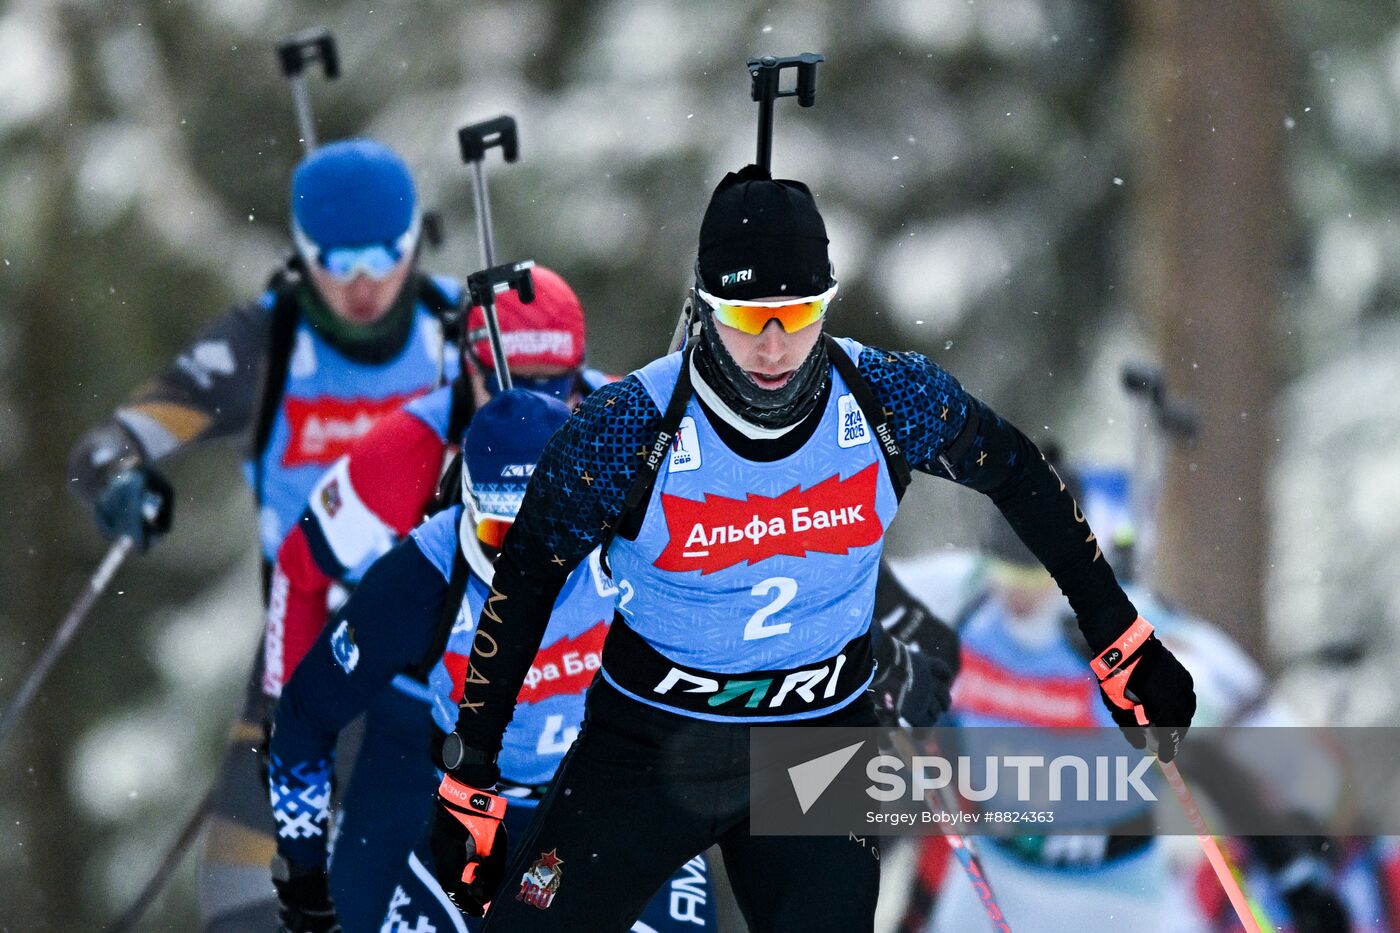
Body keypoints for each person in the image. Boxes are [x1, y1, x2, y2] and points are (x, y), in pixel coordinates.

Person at [427, 164, 1197, 932]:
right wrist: (472, 776)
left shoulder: (887, 398)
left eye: (796, 316)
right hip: (649, 745)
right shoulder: (628, 427)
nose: (772, 347)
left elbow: (1019, 475)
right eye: (744, 316)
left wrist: (1120, 639)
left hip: (817, 746)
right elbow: (525, 577)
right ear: (703, 306)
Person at [65, 138, 461, 930]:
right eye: (336, 261)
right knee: (244, 904)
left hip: (442, 671)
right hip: (301, 663)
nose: (362, 285)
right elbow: (109, 446)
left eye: (384, 255)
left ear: (415, 239)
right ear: (302, 252)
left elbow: (564, 422)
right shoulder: (267, 342)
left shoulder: (461, 331)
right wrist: (120, 483)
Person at [266, 389, 718, 933]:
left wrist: (839, 808)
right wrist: (303, 872)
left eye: (549, 524)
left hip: (624, 806)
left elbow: (779, 670)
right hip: (476, 824)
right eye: (501, 534)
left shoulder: (639, 536)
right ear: (467, 504)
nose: (524, 558)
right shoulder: (425, 576)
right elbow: (305, 714)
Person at [889, 463, 1353, 933]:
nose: (1017, 595)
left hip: (1118, 894)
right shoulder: (964, 597)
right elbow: (858, 592)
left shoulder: (1123, 621)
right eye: (1005, 571)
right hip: (999, 882)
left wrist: (1293, 868)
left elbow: (1223, 739)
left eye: (1036, 578)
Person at [262, 266, 608, 703]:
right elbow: (299, 570)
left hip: (579, 689)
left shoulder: (624, 424)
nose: (533, 406)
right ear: (468, 366)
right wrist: (286, 708)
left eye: (556, 386)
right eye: (510, 385)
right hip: (430, 698)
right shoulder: (405, 450)